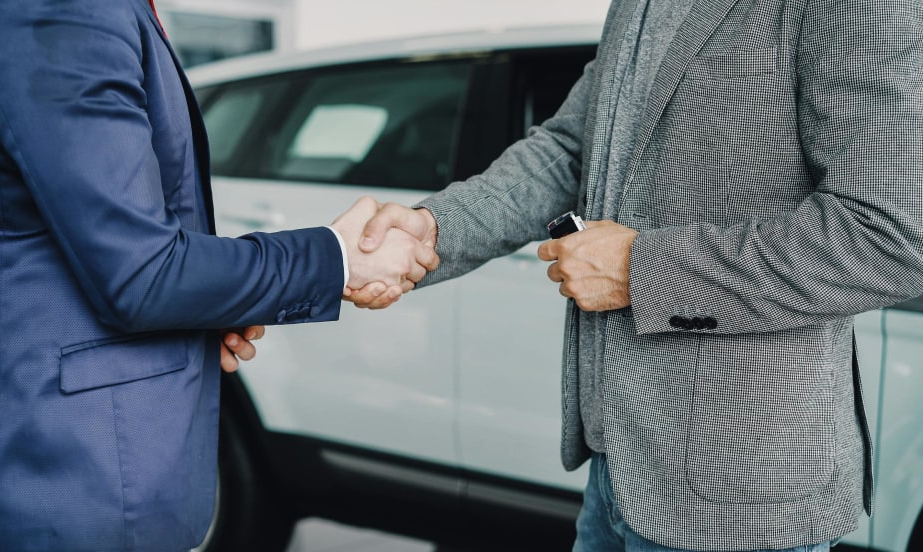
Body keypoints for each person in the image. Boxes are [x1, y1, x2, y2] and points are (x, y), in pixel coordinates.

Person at [348, 0, 923, 550]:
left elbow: (893, 237)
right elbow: (572, 148)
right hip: (619, 466)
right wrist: (435, 228)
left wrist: (641, 269)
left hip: (743, 490)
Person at [0, 1, 436, 550]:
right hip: (67, 476)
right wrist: (338, 256)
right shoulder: (58, 8)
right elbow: (144, 275)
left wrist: (219, 303)